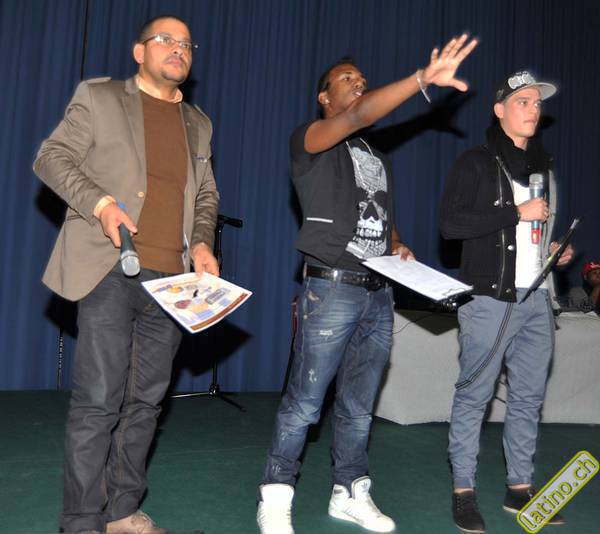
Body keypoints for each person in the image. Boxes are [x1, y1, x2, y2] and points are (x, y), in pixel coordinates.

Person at [257, 35, 477, 534]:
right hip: (331, 289)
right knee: (305, 404)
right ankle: (276, 493)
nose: (358, 83)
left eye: (362, 79)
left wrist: (398, 245)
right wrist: (421, 79)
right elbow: (357, 116)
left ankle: (350, 491)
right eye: (346, 79)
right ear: (324, 97)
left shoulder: (377, 158)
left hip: (378, 293)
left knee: (359, 407)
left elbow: (378, 218)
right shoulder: (310, 139)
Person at [34, 15, 219, 534]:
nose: (178, 49)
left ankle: (120, 511)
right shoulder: (99, 97)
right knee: (99, 400)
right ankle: (81, 521)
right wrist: (99, 204)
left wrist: (201, 241)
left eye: (187, 44)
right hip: (110, 268)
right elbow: (51, 158)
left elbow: (206, 195)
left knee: (145, 404)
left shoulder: (199, 122)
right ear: (140, 52)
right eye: (166, 40)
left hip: (172, 282)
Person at [439, 70, 574, 533]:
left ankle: (520, 488)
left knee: (528, 399)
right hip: (491, 300)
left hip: (538, 298)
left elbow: (537, 234)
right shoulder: (475, 163)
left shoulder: (543, 171)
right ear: (499, 110)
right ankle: (463, 491)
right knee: (474, 396)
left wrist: (555, 252)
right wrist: (515, 212)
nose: (533, 109)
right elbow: (450, 225)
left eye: (537, 102)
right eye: (523, 101)